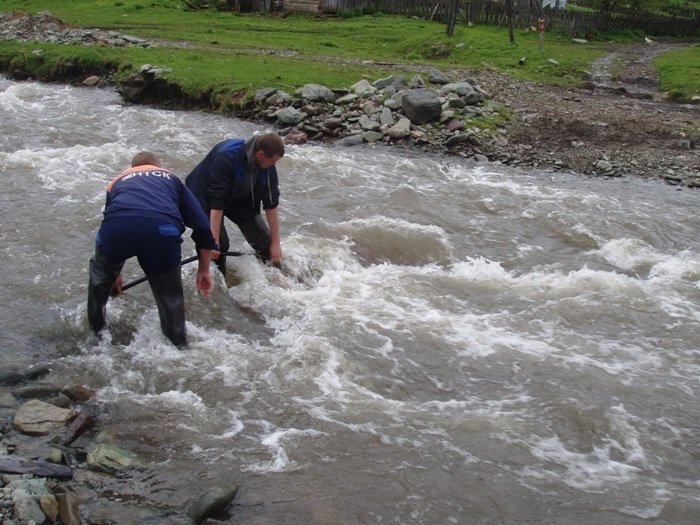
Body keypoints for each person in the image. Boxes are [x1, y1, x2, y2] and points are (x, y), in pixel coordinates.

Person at [87, 151, 218, 348]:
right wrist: (204, 270)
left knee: (99, 278)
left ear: (133, 168)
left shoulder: (117, 180)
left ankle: (96, 336)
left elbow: (112, 219)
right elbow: (201, 225)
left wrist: (114, 271)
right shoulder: (171, 178)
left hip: (117, 231)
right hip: (162, 233)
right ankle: (178, 348)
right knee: (170, 298)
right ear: (158, 166)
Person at [185, 133, 285, 275]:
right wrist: (214, 242)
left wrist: (276, 244)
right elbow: (217, 202)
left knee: (265, 243)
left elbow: (271, 205)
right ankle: (217, 281)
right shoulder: (227, 157)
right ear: (261, 154)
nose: (274, 165)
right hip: (205, 195)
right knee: (219, 245)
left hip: (238, 194)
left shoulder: (268, 167)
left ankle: (276, 280)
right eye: (273, 161)